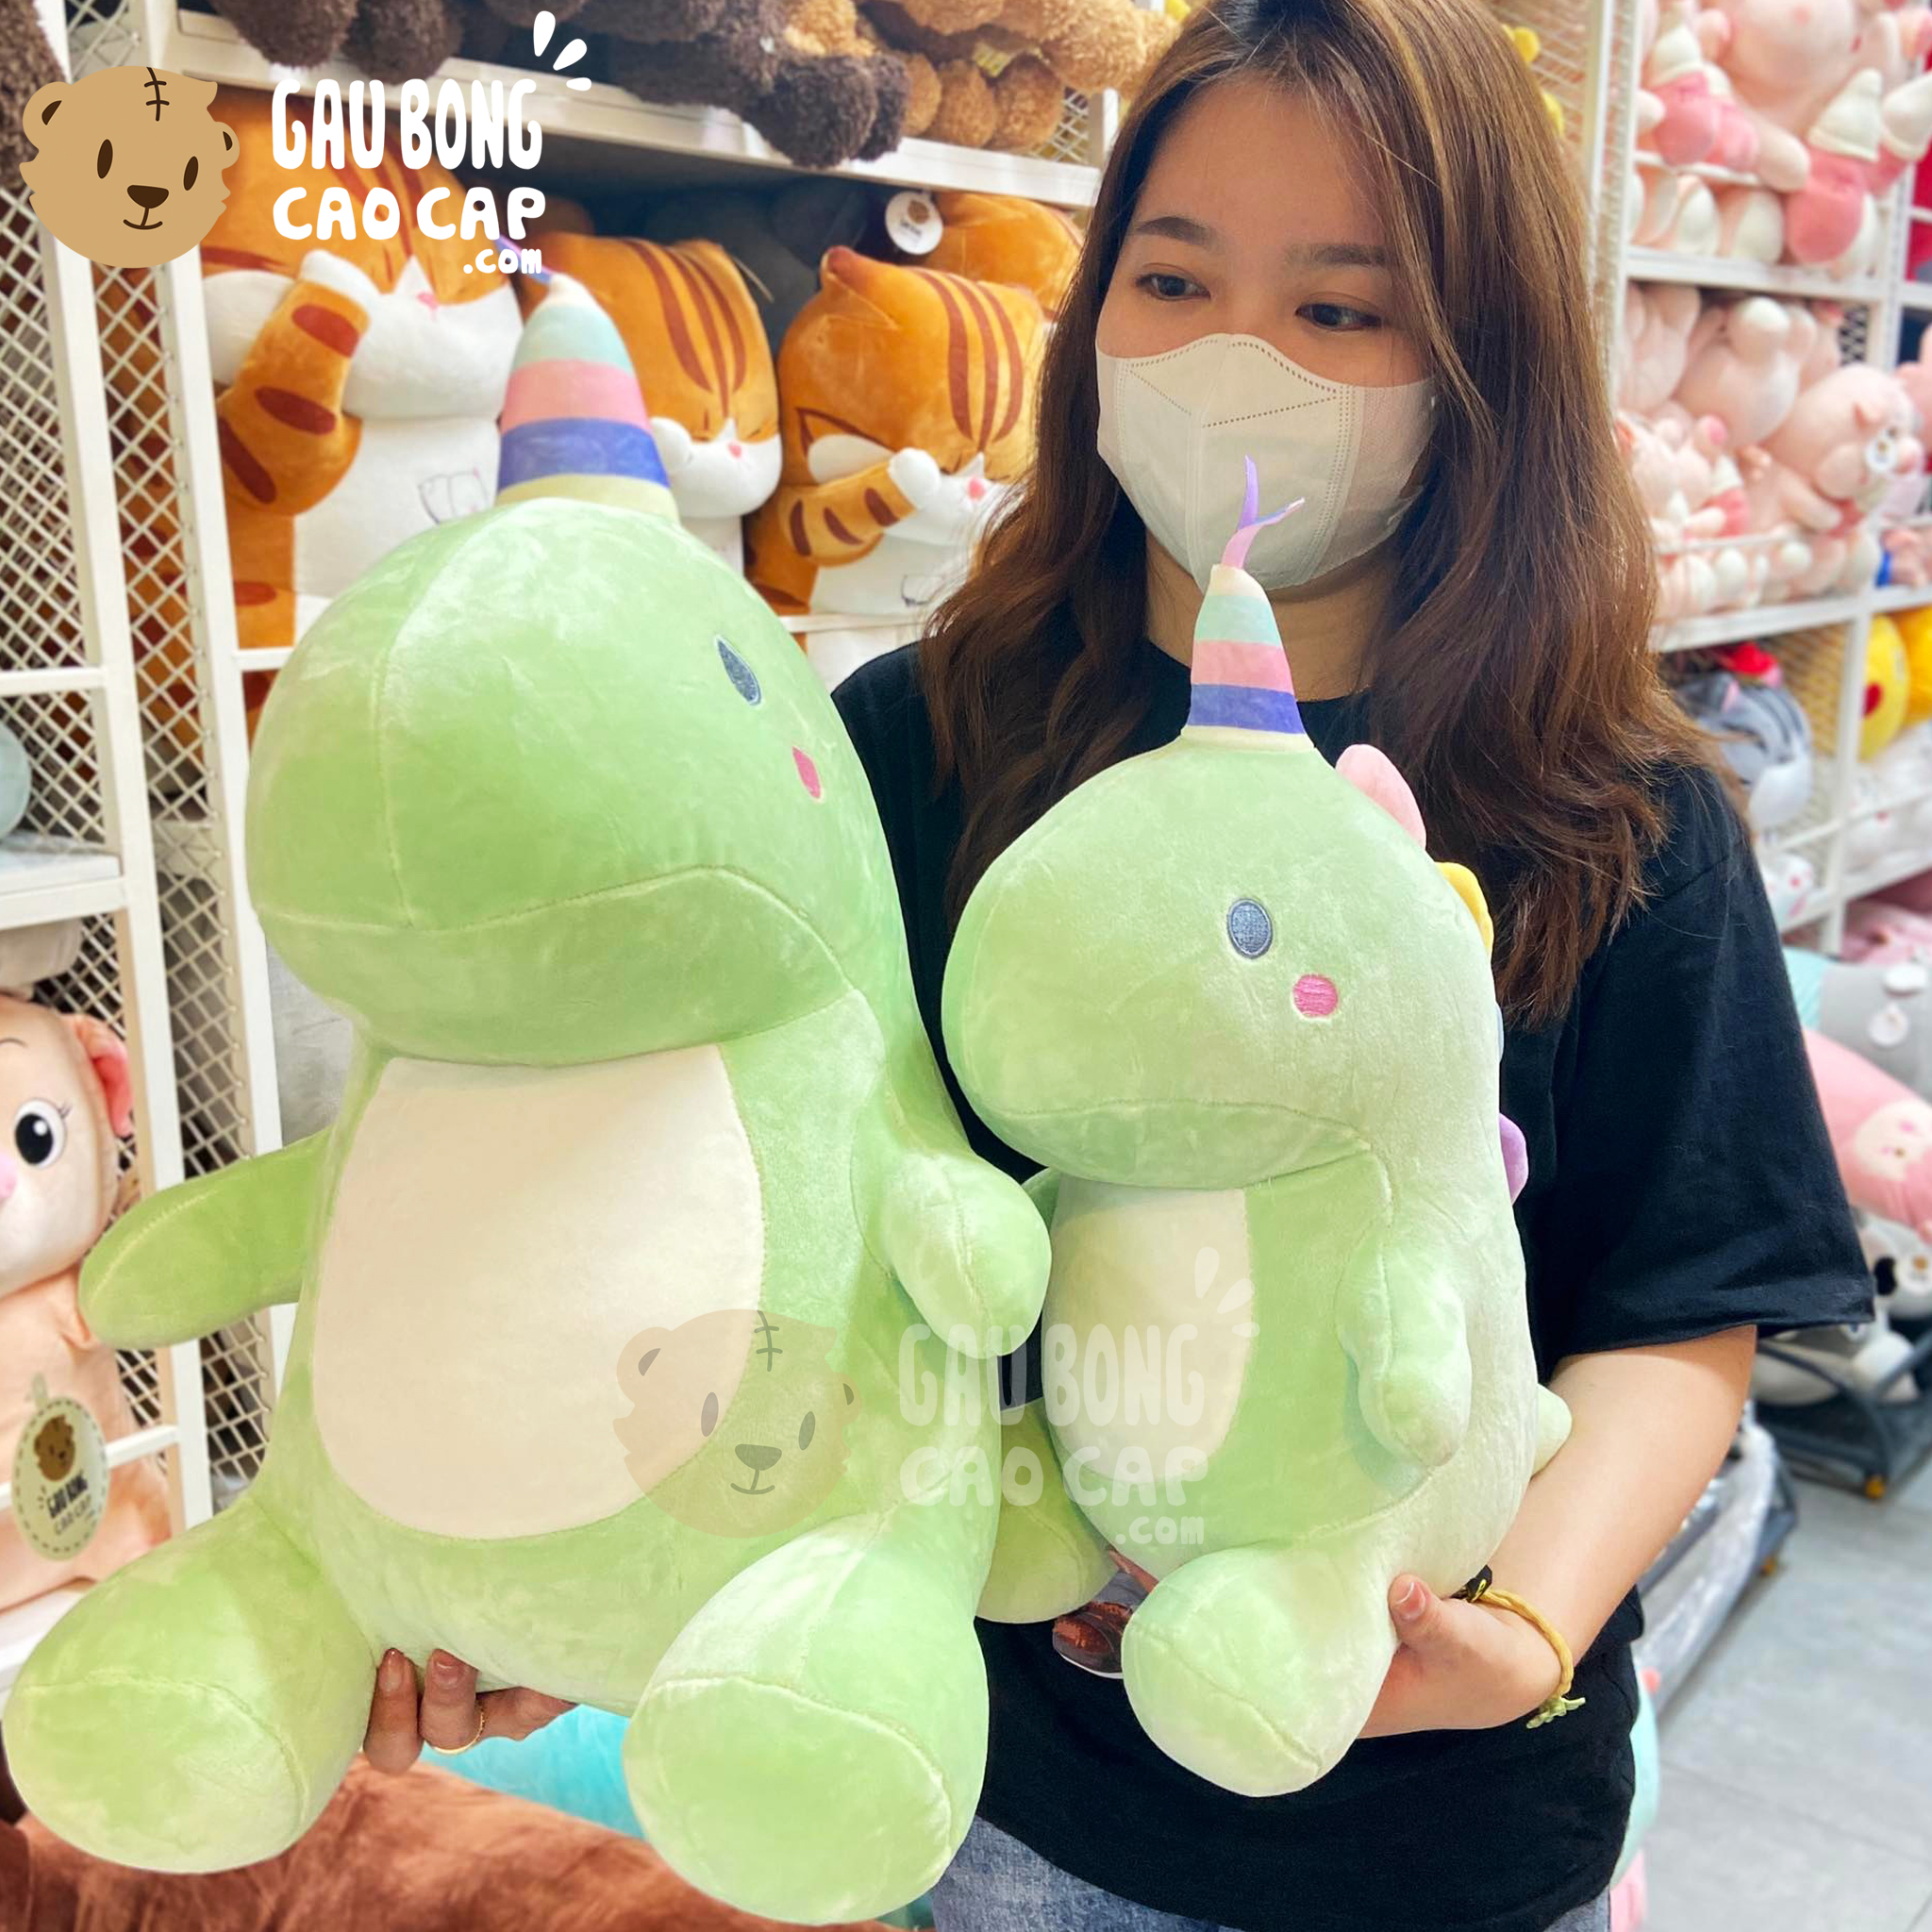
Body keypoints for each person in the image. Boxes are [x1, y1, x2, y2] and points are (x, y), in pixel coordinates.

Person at [361, 4, 1869, 1928]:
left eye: (1340, 309)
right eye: (1170, 279)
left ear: (1480, 360)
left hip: (1447, 1838)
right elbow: (780, 1203)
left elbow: (1678, 1308)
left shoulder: (1617, 813)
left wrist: (1514, 1626)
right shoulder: (924, 742)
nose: (1235, 357)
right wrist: (575, 1565)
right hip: (1017, 1798)